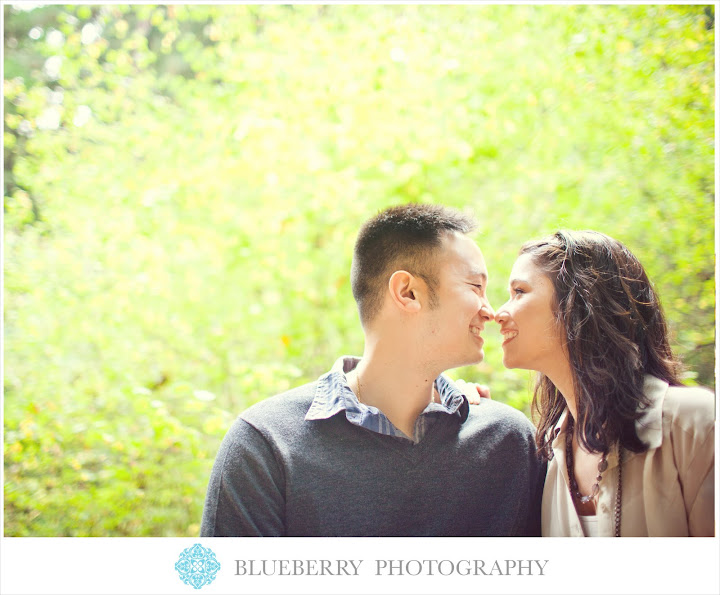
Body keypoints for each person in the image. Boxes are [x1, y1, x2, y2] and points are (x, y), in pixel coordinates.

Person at [200, 204, 545, 536]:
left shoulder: (510, 443)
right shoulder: (265, 445)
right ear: (407, 292)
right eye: (475, 287)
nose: (491, 311)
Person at [492, 230, 715, 537]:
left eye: (519, 291)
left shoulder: (694, 424)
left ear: (577, 304)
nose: (498, 313)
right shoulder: (546, 456)